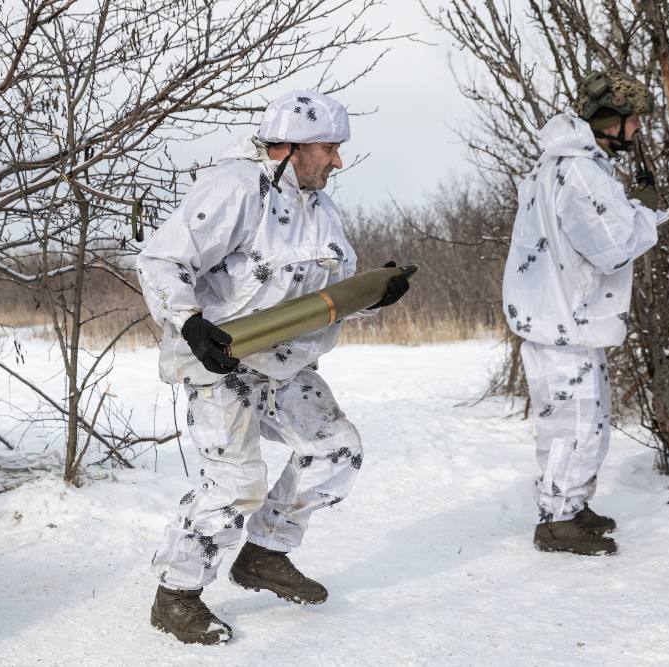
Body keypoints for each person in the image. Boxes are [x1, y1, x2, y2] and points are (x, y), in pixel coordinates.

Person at [136, 90, 409, 644]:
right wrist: (190, 323)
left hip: (285, 366)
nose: (338, 161)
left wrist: (373, 292)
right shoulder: (236, 189)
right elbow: (163, 260)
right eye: (330, 148)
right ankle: (177, 594)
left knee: (335, 450)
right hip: (221, 363)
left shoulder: (320, 207)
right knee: (236, 482)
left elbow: (332, 286)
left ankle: (264, 554)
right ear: (292, 146)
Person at [502, 70, 669, 556]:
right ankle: (557, 520)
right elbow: (612, 247)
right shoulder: (579, 171)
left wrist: (632, 207)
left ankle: (570, 506)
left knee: (582, 420)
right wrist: (647, 212)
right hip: (564, 320)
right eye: (633, 119)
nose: (638, 128)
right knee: (574, 424)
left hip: (564, 317)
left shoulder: (563, 165)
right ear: (608, 120)